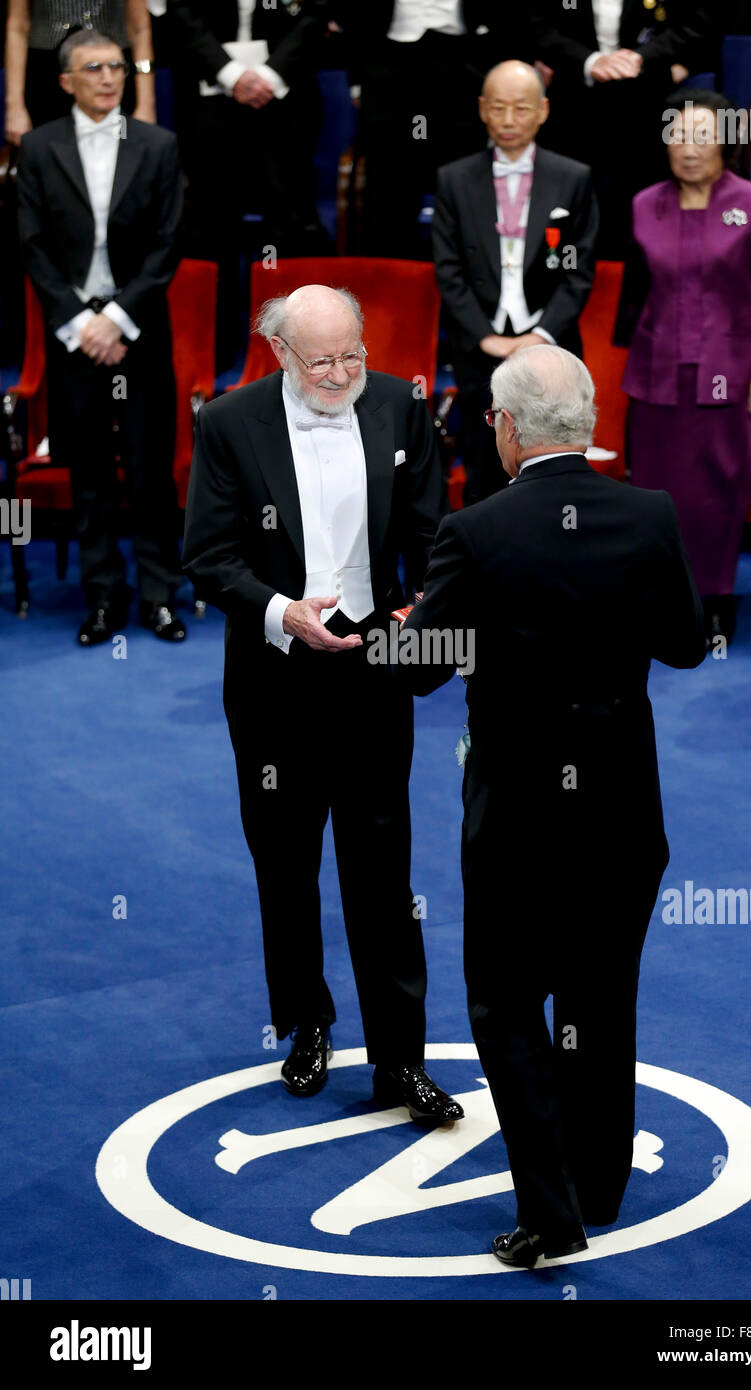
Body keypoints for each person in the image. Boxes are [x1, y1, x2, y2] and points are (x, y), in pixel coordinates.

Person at [399, 344, 706, 1265]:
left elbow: (417, 675)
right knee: (602, 997)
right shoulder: (650, 516)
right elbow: (687, 646)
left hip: (519, 820)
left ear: (507, 427)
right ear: (588, 422)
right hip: (621, 812)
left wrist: (400, 633)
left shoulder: (477, 530)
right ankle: (601, 1185)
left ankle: (551, 1211)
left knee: (502, 1005)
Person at [181, 285, 463, 1124]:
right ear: (278, 354)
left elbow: (429, 532)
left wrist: (423, 609)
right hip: (275, 681)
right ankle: (306, 1023)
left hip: (374, 671)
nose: (344, 374)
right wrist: (281, 612)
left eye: (355, 355)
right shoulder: (229, 423)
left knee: (384, 872)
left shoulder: (400, 406)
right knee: (286, 861)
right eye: (323, 361)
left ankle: (400, 1060)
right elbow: (208, 555)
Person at [17, 27, 186, 645]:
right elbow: (32, 246)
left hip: (138, 328)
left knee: (149, 467)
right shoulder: (37, 148)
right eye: (94, 68)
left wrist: (116, 319)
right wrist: (81, 323)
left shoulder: (159, 144)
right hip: (72, 335)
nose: (110, 78)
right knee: (87, 469)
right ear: (66, 80)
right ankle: (101, 598)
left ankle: (160, 594)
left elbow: (168, 245)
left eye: (117, 66)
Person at [615, 90, 751, 646]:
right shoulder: (646, 203)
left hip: (730, 374)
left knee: (718, 494)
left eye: (702, 136)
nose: (689, 148)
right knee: (652, 494)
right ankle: (657, 600)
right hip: (657, 373)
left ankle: (714, 601)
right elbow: (634, 292)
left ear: (726, 143)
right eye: (678, 135)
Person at [432, 59, 598, 505]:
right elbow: (447, 270)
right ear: (482, 109)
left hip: (553, 346)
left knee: (554, 475)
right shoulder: (454, 179)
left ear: (543, 110)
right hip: (478, 349)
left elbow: (578, 272)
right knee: (484, 470)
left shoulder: (573, 177)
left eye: (521, 109)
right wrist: (487, 338)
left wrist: (540, 335)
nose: (508, 120)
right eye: (499, 108)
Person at [168, 0, 328, 364]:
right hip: (209, 105)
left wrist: (268, 76)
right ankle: (212, 351)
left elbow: (315, 12)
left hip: (285, 103)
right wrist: (231, 75)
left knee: (288, 228)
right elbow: (184, 15)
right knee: (211, 228)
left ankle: (292, 350)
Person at [530, 0, 715, 256]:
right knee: (571, 204)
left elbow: (696, 25)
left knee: (641, 202)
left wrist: (642, 58)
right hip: (574, 99)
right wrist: (589, 61)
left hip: (645, 98)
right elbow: (533, 25)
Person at [337, 1, 518, 259]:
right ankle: (392, 284)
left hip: (461, 65)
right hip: (389, 66)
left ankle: (464, 284)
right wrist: (357, 80)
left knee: (463, 185)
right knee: (389, 188)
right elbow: (351, 17)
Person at [4, 0, 156, 142]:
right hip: (46, 73)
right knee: (49, 155)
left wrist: (146, 104)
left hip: (112, 69)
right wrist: (15, 107)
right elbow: (17, 27)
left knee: (123, 154)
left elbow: (140, 29)